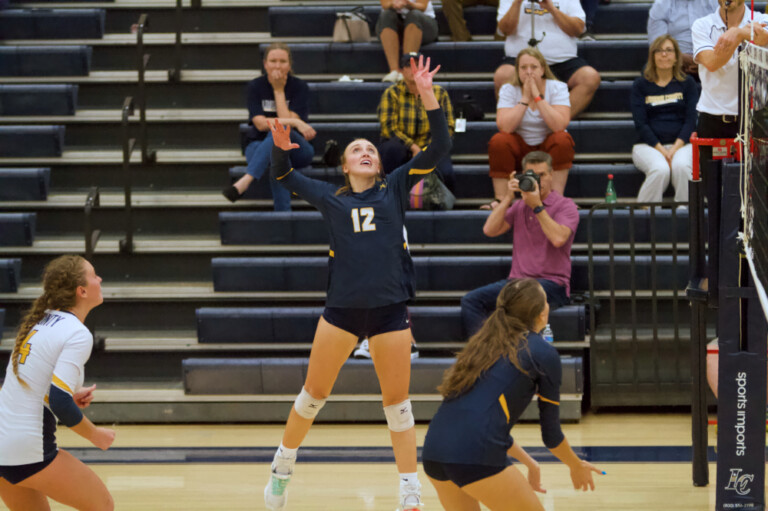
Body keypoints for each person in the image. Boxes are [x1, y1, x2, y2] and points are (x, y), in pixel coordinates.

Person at [263, 55, 451, 511]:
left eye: (370, 148)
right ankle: (282, 469)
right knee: (313, 396)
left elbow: (439, 146)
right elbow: (284, 175)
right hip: (343, 311)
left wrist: (427, 95)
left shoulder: (395, 186)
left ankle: (409, 488)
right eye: (355, 150)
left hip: (389, 310)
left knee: (398, 404)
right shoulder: (331, 197)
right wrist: (279, 145)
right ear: (345, 167)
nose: (365, 152)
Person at [424, 278, 601, 511]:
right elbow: (552, 436)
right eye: (546, 300)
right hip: (475, 454)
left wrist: (530, 463)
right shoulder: (543, 353)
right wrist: (575, 465)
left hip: (435, 451)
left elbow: (480, 419)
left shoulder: (483, 345)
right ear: (541, 314)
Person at [0, 255, 115, 511]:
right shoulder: (76, 332)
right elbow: (60, 401)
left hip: (3, 443)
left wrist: (70, 397)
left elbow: (33, 389)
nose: (100, 279)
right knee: (102, 506)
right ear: (81, 290)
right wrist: (96, 435)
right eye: (94, 274)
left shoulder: (40, 323)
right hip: (27, 449)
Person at [461, 151, 578, 337]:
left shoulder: (566, 206)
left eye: (542, 175)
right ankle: (483, 354)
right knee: (471, 301)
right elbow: (489, 230)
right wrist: (508, 197)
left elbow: (558, 239)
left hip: (552, 284)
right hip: (517, 282)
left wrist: (537, 206)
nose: (538, 180)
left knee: (519, 301)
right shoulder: (519, 206)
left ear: (551, 175)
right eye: (532, 176)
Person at [222, 43, 315, 209]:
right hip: (259, 147)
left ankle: (246, 180)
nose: (277, 65)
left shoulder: (299, 87)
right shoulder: (255, 86)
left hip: (297, 148)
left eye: (282, 61)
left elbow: (287, 129)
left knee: (279, 133)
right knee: (277, 159)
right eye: (273, 61)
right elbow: (260, 124)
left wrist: (278, 91)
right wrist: (295, 121)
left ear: (289, 64)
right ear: (265, 64)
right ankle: (283, 219)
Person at [488, 47, 574, 200]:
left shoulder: (558, 87)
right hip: (519, 147)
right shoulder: (508, 89)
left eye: (533, 67)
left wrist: (537, 97)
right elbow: (505, 127)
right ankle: (501, 199)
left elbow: (559, 126)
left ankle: (555, 197)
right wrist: (525, 99)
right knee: (499, 141)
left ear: (542, 69)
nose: (528, 72)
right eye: (523, 67)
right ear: (517, 71)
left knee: (562, 139)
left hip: (547, 147)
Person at [494, 0, 601, 117]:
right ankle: (519, 123)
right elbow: (505, 30)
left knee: (589, 77)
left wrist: (552, 8)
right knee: (502, 75)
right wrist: (517, 3)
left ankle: (556, 121)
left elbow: (578, 29)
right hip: (520, 60)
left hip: (562, 61)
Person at [630, 35, 698, 203]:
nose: (664, 55)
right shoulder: (640, 85)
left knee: (681, 167)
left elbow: (691, 121)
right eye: (659, 51)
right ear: (652, 57)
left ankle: (685, 215)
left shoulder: (688, 84)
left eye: (669, 51)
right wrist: (662, 151)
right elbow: (641, 124)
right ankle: (645, 218)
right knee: (660, 169)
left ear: (676, 57)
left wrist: (674, 149)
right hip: (647, 146)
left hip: (683, 145)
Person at [378, 52, 456, 190]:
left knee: (446, 173)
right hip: (402, 147)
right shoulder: (392, 92)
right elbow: (389, 128)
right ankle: (386, 195)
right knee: (391, 150)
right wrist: (414, 147)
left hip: (431, 147)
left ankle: (443, 205)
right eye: (409, 65)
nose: (414, 69)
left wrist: (428, 150)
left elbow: (448, 126)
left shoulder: (439, 92)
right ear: (401, 71)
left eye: (418, 65)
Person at [647, 0, 718, 77]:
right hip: (674, 63)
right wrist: (679, 58)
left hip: (711, 61)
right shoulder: (661, 5)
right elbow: (657, 44)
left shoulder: (716, 2)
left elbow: (724, 35)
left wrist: (705, 59)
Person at [377, 0, 438, 82]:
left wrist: (408, 4)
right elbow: (385, 4)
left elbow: (422, 6)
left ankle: (407, 68)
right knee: (386, 15)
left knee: (414, 15)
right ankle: (394, 70)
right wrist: (394, 4)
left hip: (424, 25)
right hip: (397, 25)